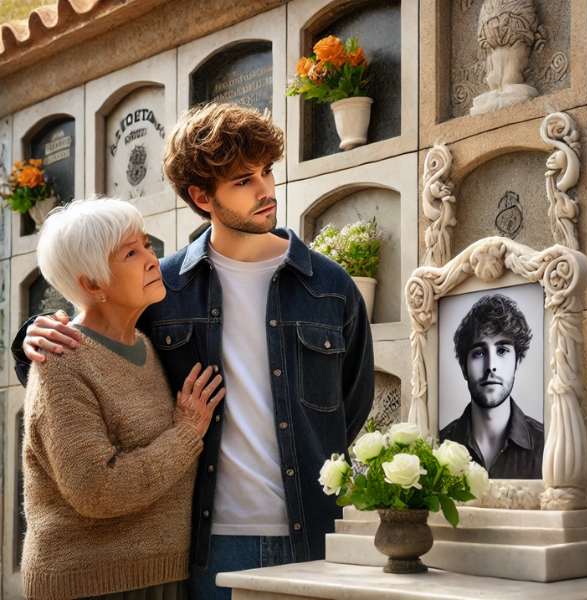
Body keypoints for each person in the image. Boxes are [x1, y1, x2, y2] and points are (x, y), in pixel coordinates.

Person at [13, 103, 374, 599]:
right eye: (243, 181)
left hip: (310, 532)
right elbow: (94, 343)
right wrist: (31, 333)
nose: (266, 190)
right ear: (202, 196)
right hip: (206, 544)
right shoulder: (166, 288)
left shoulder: (330, 288)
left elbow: (351, 404)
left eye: (267, 171)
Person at [20, 198, 226, 600]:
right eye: (131, 252)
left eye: (147, 244)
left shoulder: (146, 346)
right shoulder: (60, 362)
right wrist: (185, 434)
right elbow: (96, 488)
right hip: (92, 584)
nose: (152, 259)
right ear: (92, 283)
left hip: (161, 576)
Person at [439, 294, 544, 479]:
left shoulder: (547, 443)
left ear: (517, 362)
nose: (490, 366)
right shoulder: (438, 443)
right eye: (478, 353)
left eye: (502, 350)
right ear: (464, 367)